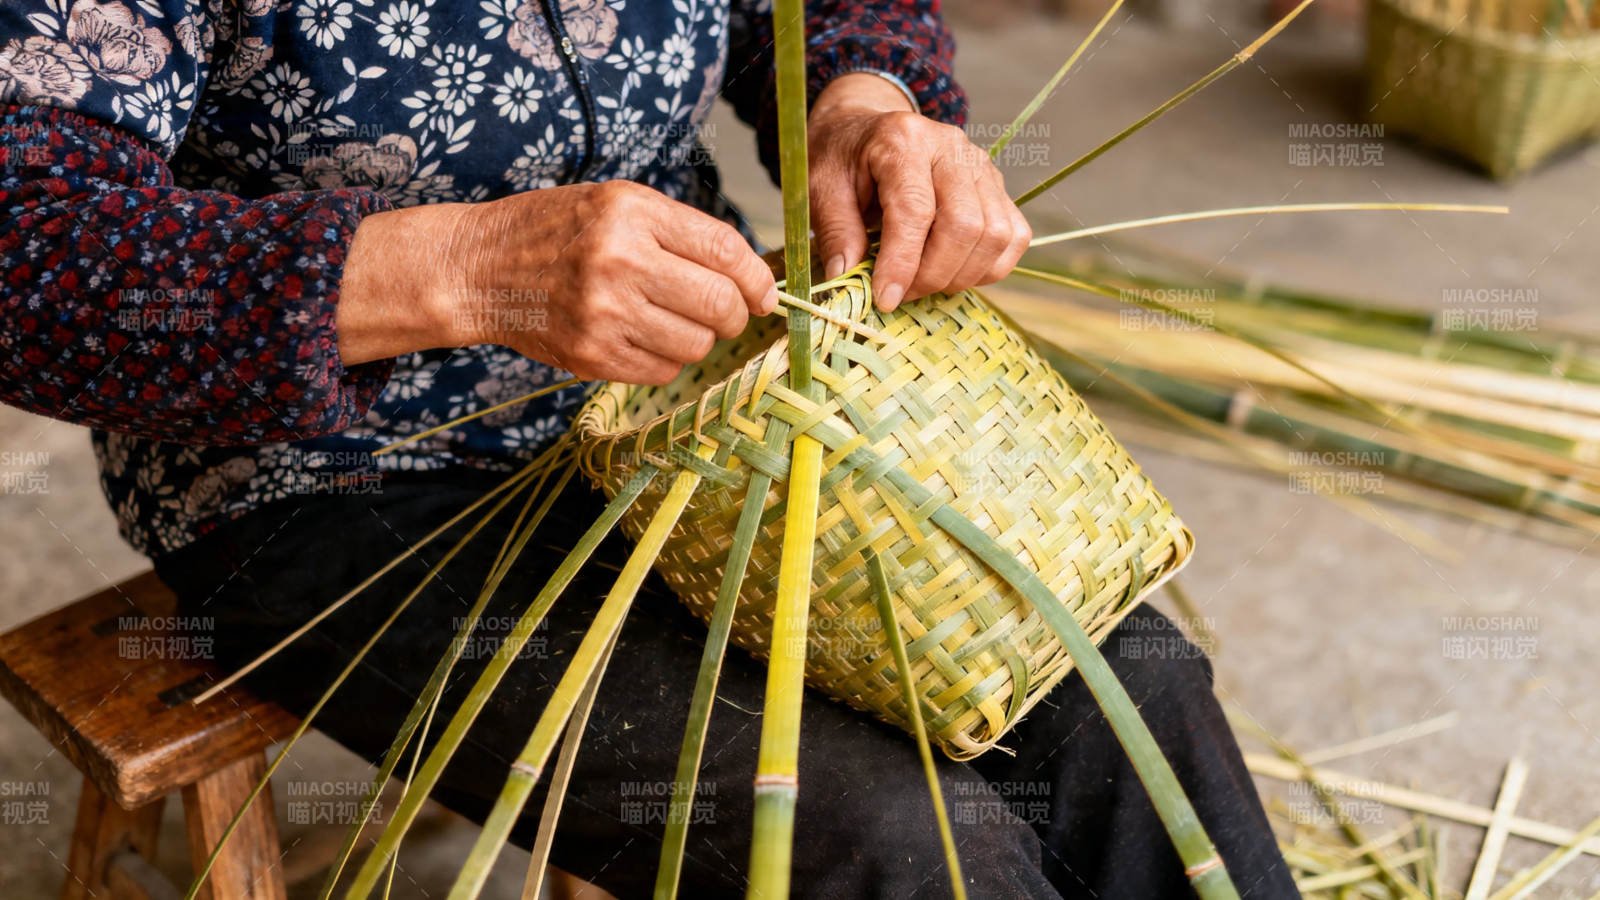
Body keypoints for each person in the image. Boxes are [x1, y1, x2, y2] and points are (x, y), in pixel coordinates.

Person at [0, 0, 1296, 894]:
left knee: (1131, 689)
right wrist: (452, 269)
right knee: (884, 837)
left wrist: (864, 98)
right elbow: (24, 241)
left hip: (700, 398)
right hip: (334, 470)